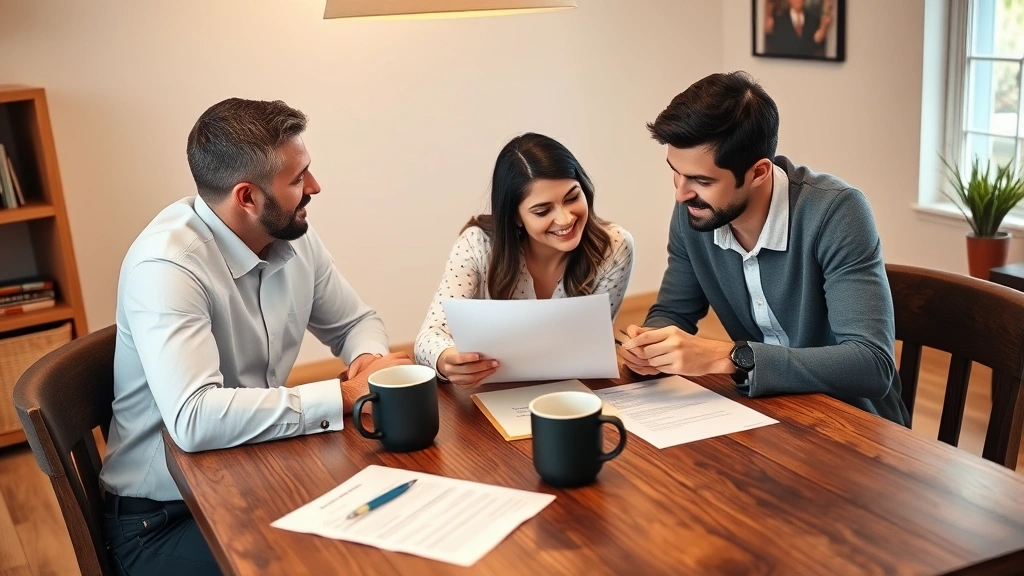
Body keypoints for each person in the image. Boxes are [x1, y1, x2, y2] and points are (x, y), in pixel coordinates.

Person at [99, 98, 411, 575]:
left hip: (250, 473)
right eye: (297, 179)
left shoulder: (291, 234)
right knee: (334, 564)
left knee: (392, 528)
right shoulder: (167, 267)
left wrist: (367, 361)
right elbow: (194, 418)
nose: (315, 187)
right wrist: (346, 395)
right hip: (163, 520)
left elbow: (355, 322)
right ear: (247, 197)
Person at [617, 71, 909, 426]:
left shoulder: (837, 213)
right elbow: (674, 312)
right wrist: (650, 345)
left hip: (855, 424)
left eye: (701, 180)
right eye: (676, 172)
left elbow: (872, 365)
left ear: (758, 173)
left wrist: (729, 357)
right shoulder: (694, 213)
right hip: (766, 412)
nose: (680, 193)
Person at [414, 132, 634, 386]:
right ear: (515, 216)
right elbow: (428, 338)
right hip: (490, 392)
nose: (565, 219)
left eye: (573, 197)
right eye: (542, 211)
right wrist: (446, 360)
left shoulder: (613, 247)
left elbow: (590, 348)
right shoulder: (477, 245)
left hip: (572, 390)